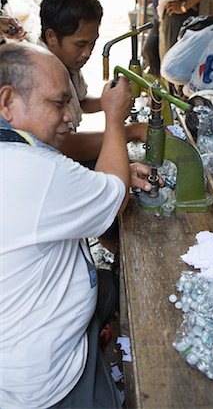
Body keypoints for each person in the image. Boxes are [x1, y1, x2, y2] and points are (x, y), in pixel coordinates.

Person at [0, 42, 155, 408]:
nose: (70, 115)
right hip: (47, 381)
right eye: (58, 103)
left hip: (27, 335)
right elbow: (113, 197)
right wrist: (117, 120)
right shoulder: (31, 171)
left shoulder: (20, 157)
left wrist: (103, 179)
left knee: (108, 287)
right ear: (7, 102)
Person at [39, 0, 147, 164]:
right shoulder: (42, 76)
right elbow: (65, 147)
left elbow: (80, 102)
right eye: (80, 44)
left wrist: (109, 100)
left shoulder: (66, 63)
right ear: (51, 37)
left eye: (92, 43)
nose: (88, 53)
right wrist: (131, 130)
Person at [142, 0, 164, 77]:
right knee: (149, 50)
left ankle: (160, 91)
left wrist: (184, 7)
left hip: (169, 13)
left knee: (151, 49)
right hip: (159, 13)